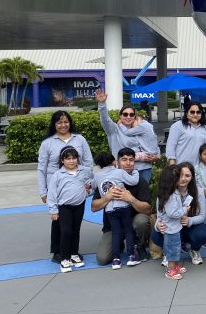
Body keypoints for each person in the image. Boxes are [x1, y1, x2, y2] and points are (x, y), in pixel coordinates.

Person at [37, 111, 93, 263]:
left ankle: (72, 251)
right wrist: (43, 191)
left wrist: (88, 184)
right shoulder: (47, 143)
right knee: (58, 221)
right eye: (59, 122)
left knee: (74, 223)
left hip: (76, 186)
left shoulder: (80, 139)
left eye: (66, 122)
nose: (63, 125)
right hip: (55, 187)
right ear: (54, 124)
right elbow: (42, 168)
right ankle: (58, 252)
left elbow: (88, 163)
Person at [91, 148, 153, 266]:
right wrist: (107, 197)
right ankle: (118, 243)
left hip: (132, 222)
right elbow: (93, 207)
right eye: (124, 160)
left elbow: (148, 209)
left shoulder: (139, 180)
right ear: (117, 162)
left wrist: (131, 199)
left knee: (142, 221)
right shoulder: (106, 178)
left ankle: (139, 246)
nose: (128, 163)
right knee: (102, 259)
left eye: (131, 160)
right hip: (113, 226)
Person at [95, 89, 160, 182]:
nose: (128, 117)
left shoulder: (141, 128)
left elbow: (153, 143)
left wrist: (157, 156)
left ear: (134, 116)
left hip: (144, 168)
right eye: (125, 114)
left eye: (131, 114)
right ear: (120, 116)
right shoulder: (114, 130)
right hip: (124, 170)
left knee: (142, 196)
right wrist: (102, 104)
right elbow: (105, 120)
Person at [47, 146, 93, 273]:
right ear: (62, 160)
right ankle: (64, 257)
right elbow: (52, 193)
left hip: (79, 205)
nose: (71, 161)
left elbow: (92, 182)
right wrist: (53, 210)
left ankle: (74, 254)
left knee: (76, 230)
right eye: (68, 159)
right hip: (64, 207)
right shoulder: (58, 175)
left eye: (74, 158)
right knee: (66, 231)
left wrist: (89, 191)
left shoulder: (84, 171)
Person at [152, 166, 188, 280]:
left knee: (175, 247)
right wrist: (185, 209)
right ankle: (170, 270)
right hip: (171, 228)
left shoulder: (170, 193)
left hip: (173, 227)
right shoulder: (170, 196)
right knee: (172, 248)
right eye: (179, 177)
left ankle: (174, 265)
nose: (182, 178)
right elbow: (173, 213)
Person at [166, 101, 206, 166]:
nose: (195, 114)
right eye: (192, 112)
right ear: (186, 113)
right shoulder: (178, 126)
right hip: (181, 168)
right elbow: (170, 147)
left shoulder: (205, 129)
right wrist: (172, 166)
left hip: (199, 170)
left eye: (198, 112)